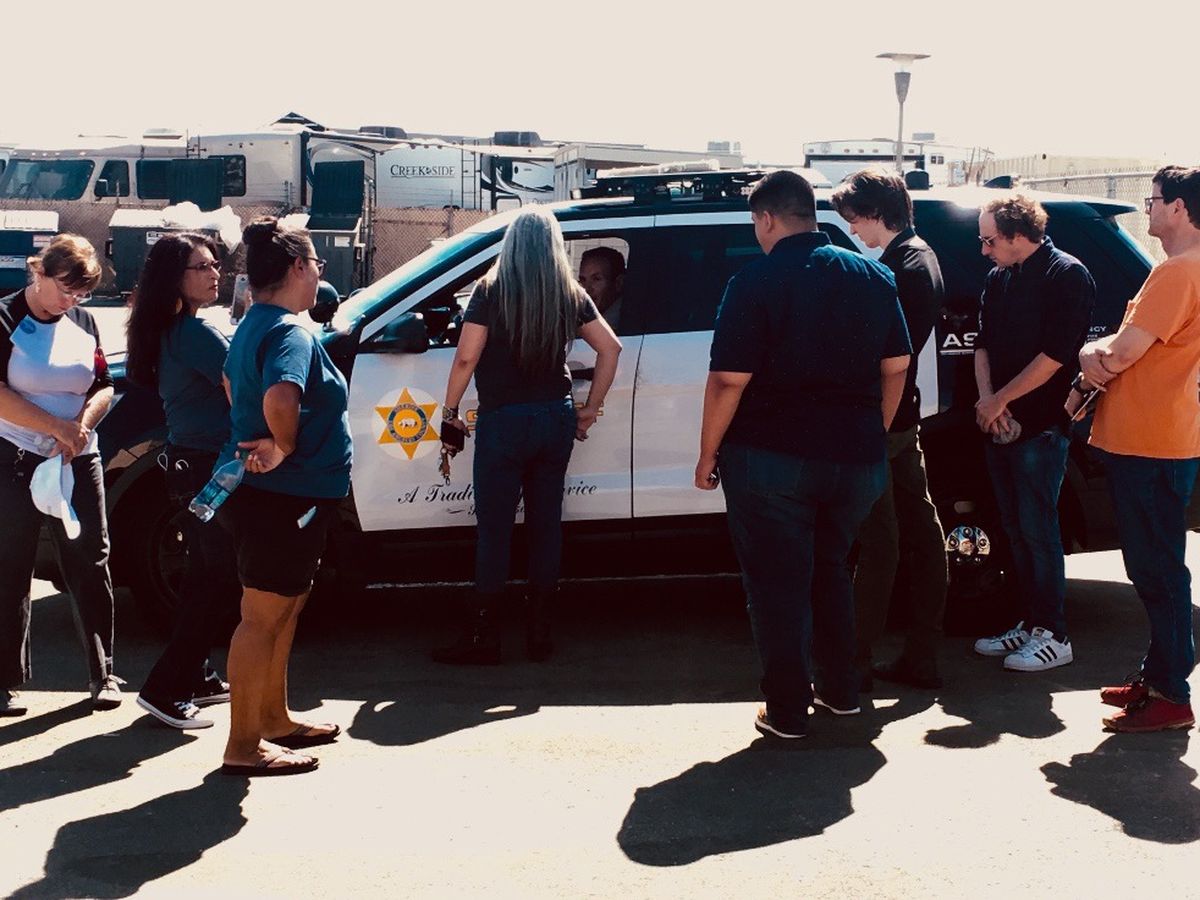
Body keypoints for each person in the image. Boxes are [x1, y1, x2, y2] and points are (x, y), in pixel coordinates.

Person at [695, 170, 911, 740]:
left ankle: (787, 710)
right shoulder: (875, 276)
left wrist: (707, 453)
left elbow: (728, 380)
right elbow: (897, 366)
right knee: (831, 570)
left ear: (767, 219)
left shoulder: (754, 281)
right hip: (855, 459)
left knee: (777, 585)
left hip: (772, 460)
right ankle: (841, 692)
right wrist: (873, 429)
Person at [434, 206, 621, 665]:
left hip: (503, 422)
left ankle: (484, 637)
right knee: (546, 525)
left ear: (512, 244)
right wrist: (589, 410)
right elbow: (610, 348)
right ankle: (539, 633)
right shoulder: (569, 292)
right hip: (555, 418)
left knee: (494, 531)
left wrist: (451, 411)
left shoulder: (490, 290)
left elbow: (466, 358)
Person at [216, 217, 352, 775]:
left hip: (282, 496)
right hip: (282, 497)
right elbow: (279, 396)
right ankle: (243, 745)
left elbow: (231, 383)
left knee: (284, 609)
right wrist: (283, 444)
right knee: (261, 618)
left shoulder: (257, 321)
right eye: (316, 262)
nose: (319, 271)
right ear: (297, 267)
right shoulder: (291, 332)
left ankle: (273, 718)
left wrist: (264, 434)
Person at [1074, 165, 1200, 732]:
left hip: (1152, 442)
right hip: (1162, 437)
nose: (1147, 209)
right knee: (1157, 567)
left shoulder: (1176, 272)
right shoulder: (1184, 269)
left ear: (1178, 207)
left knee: (1157, 571)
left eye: (1152, 200)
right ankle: (1158, 677)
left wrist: (1087, 354)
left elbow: (1122, 353)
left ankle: (1171, 695)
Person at [832, 170, 948, 691]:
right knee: (921, 534)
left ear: (876, 211)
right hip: (901, 419)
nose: (852, 230)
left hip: (884, 420)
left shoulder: (905, 267)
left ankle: (853, 661)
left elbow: (890, 358)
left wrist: (871, 427)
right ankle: (919, 656)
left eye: (854, 219)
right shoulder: (919, 257)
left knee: (882, 542)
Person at [0, 235, 122, 716]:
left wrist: (80, 429)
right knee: (10, 565)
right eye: (66, 290)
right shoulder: (6, 317)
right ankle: (5, 680)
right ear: (39, 273)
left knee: (91, 560)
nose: (73, 301)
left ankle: (103, 672)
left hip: (76, 457)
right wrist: (55, 427)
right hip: (14, 455)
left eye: (82, 294)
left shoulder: (84, 322)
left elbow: (103, 385)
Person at [972, 193, 1094, 672]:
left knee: (1040, 531)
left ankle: (1054, 634)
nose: (984, 250)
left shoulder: (1067, 274)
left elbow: (1055, 357)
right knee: (1014, 530)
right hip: (998, 425)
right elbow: (983, 344)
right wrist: (988, 402)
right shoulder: (999, 277)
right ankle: (1028, 623)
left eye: (990, 240)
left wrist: (1000, 400)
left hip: (1041, 428)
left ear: (1018, 234)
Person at [125, 233, 240, 730]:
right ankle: (165, 689)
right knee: (215, 581)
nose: (215, 274)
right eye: (202, 267)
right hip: (207, 469)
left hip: (190, 468)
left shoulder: (175, 328)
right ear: (174, 277)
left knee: (203, 577)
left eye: (216, 265)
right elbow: (244, 386)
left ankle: (197, 675)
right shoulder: (194, 333)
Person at [578, 247, 625, 331]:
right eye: (583, 280)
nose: (586, 289)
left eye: (596, 279)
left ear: (618, 283)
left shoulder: (622, 323)